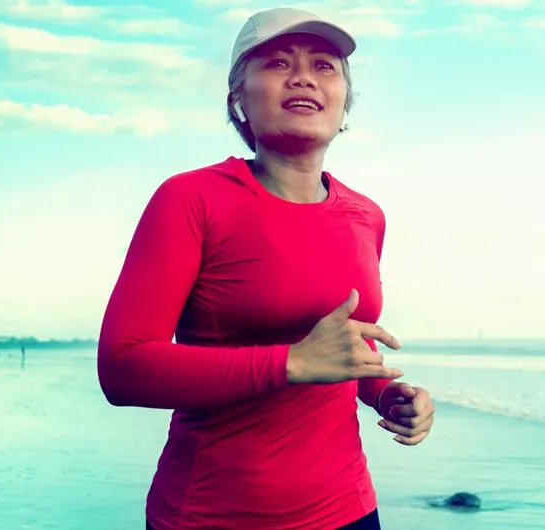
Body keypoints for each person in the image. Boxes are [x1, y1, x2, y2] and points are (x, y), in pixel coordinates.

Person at [97, 7, 435, 530]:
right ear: (238, 98)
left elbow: (342, 344)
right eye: (278, 62)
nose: (303, 76)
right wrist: (289, 363)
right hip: (212, 515)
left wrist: (386, 394)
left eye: (324, 66)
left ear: (344, 101)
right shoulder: (191, 199)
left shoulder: (367, 215)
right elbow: (122, 369)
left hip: (349, 510)